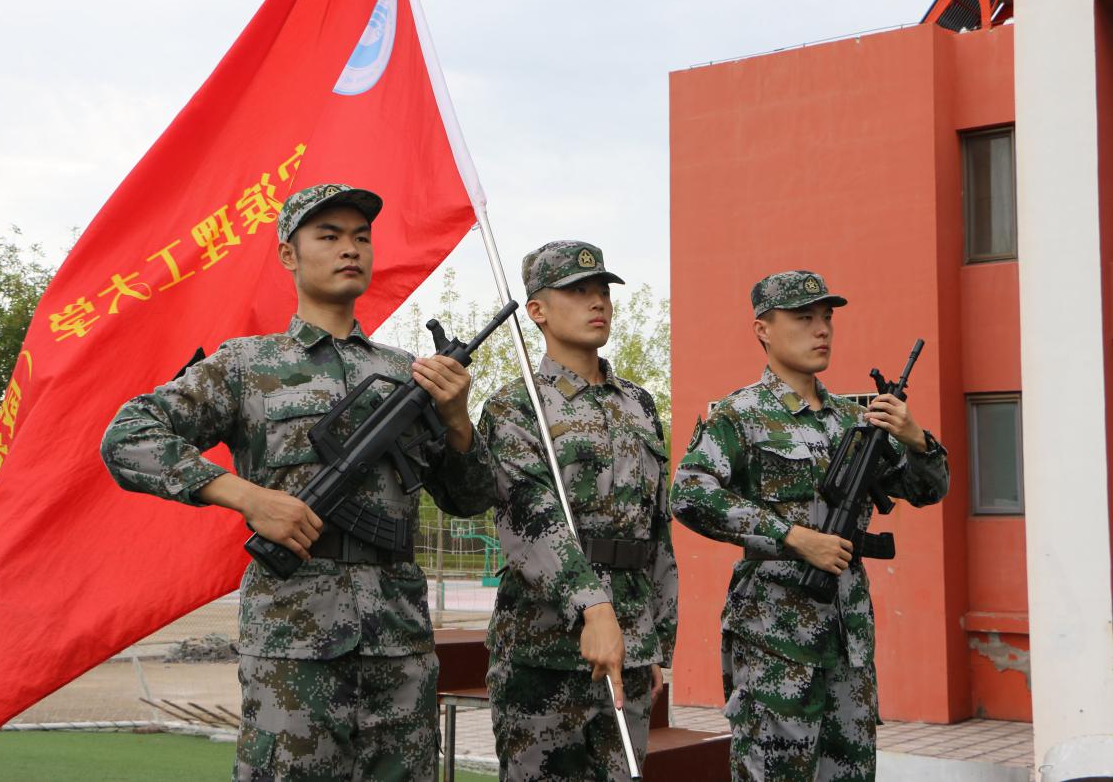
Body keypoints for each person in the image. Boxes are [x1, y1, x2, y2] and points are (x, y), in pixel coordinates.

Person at [100, 183, 498, 781]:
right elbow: (128, 436)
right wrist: (247, 497)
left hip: (398, 640)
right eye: (329, 236)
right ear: (289, 254)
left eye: (361, 238)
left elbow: (470, 498)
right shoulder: (245, 365)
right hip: (293, 641)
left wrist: (458, 421)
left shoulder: (408, 374)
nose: (350, 249)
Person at [669, 270, 950, 782]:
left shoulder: (854, 421)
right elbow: (689, 494)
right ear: (763, 329)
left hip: (848, 639)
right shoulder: (738, 415)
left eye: (826, 318)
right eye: (803, 318)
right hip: (775, 641)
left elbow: (926, 490)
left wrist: (917, 440)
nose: (821, 329)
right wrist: (793, 538)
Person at [477, 240, 679, 781]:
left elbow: (657, 529)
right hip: (543, 648)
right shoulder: (515, 406)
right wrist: (594, 609)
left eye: (603, 291)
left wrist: (657, 640)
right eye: (577, 291)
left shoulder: (639, 404)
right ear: (537, 310)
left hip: (630, 644)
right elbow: (531, 518)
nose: (597, 303)